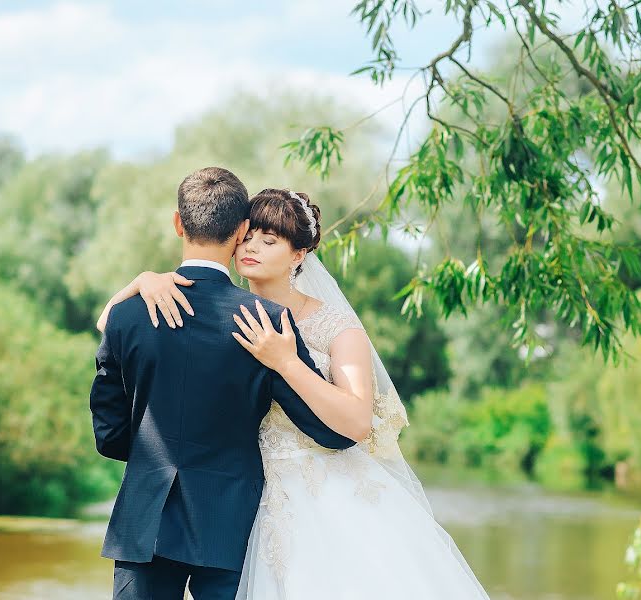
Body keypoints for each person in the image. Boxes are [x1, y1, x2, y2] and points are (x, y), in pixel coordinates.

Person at [110, 187, 490, 599]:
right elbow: (115, 332)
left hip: (318, 492)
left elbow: (357, 422)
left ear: (298, 255)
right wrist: (143, 280)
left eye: (269, 241)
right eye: (249, 236)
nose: (252, 247)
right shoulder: (227, 314)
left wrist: (286, 362)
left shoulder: (336, 326)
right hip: (247, 496)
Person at [90, 168, 356, 600]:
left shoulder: (127, 313)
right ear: (243, 230)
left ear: (178, 222)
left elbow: (110, 435)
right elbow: (329, 432)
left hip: (145, 521)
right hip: (230, 521)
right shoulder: (266, 323)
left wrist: (149, 457)